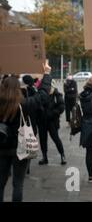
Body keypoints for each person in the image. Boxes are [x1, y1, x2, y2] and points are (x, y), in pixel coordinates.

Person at [0, 62, 52, 202]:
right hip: (20, 148)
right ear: (18, 89)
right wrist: (46, 74)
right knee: (18, 184)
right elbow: (42, 95)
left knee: (1, 183)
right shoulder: (24, 104)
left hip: (2, 147)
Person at [38, 81, 66, 165]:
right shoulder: (40, 93)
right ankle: (44, 157)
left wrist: (53, 113)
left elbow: (61, 107)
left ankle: (62, 155)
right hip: (42, 121)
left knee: (56, 138)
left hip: (52, 121)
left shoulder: (56, 94)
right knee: (43, 140)